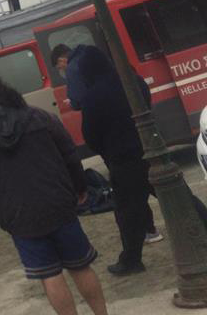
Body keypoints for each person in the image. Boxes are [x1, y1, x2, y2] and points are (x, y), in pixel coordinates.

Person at [0, 70, 120, 315]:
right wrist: (80, 187)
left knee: (50, 276)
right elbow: (69, 153)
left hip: (20, 216)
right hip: (59, 204)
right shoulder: (38, 117)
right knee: (81, 267)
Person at [51, 43, 162, 248]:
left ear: (62, 60)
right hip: (147, 143)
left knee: (125, 203)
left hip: (119, 153)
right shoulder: (132, 80)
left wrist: (105, 150)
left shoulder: (89, 89)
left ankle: (136, 248)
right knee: (161, 186)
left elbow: (89, 131)